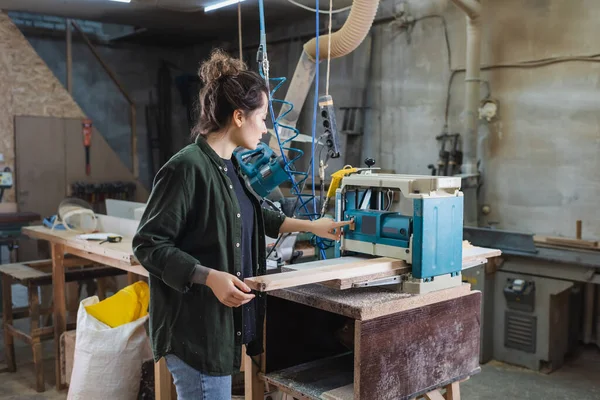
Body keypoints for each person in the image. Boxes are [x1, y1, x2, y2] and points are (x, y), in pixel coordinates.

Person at [132, 49, 351, 400]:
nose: (266, 129)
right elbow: (148, 244)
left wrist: (314, 227)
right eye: (262, 118)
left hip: (220, 325)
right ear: (238, 116)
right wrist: (209, 276)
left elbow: (256, 214)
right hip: (195, 330)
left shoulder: (230, 164)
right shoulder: (187, 167)